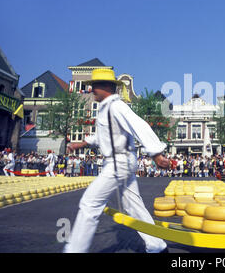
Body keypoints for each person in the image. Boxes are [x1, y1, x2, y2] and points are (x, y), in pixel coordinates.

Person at [64, 68, 170, 253]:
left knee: (90, 203)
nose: (92, 90)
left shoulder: (116, 106)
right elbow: (102, 137)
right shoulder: (106, 108)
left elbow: (139, 125)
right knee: (133, 205)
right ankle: (157, 245)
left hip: (118, 163)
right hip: (121, 161)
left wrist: (156, 153)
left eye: (94, 86)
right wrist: (80, 143)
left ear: (106, 86)